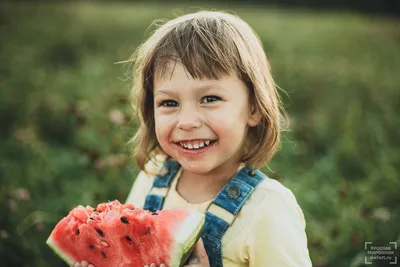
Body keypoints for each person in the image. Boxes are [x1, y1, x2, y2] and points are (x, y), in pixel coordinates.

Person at [72, 10, 312, 267]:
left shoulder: (268, 208)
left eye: (210, 99)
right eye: (169, 102)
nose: (187, 121)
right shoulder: (152, 177)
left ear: (253, 108)